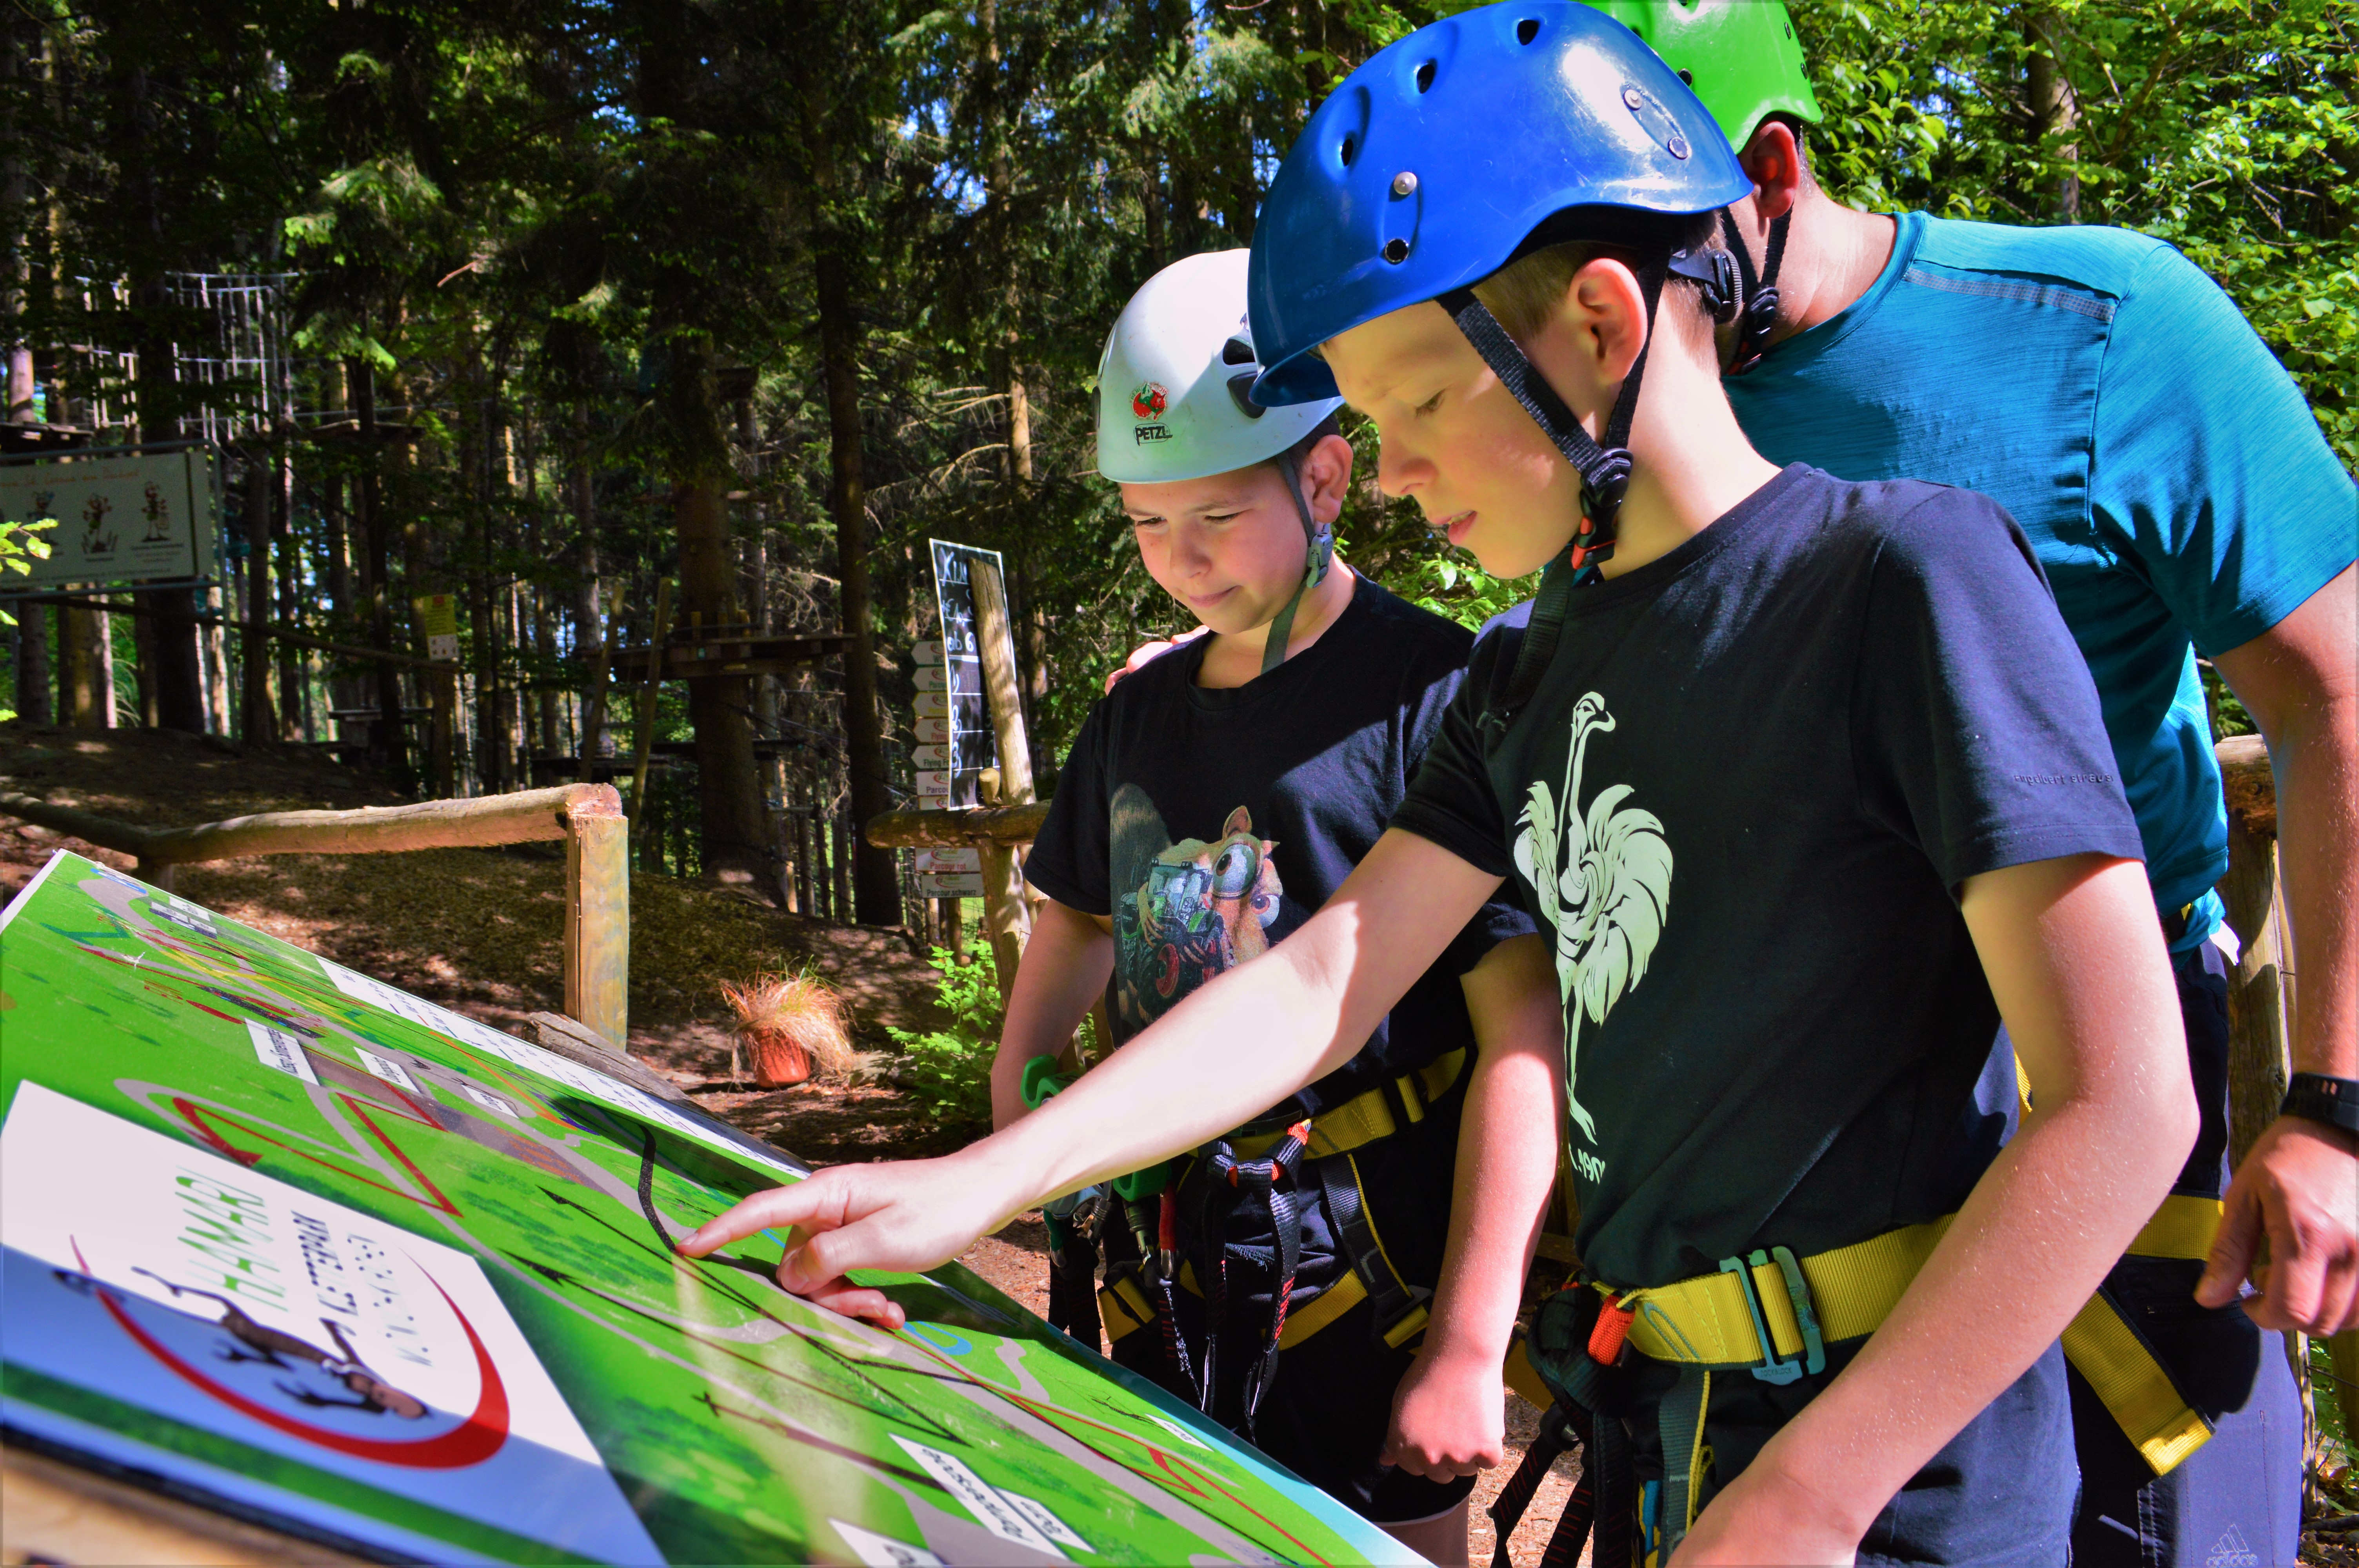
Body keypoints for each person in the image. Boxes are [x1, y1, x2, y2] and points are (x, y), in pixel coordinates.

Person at [682, 7, 2195, 1561]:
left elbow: (2121, 1100)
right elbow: (1322, 975)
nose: (1389, 473)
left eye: (1412, 406)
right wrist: (973, 1179)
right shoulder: (1527, 672)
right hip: (1659, 1447)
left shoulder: (1902, 582)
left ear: (1598, 327)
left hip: (1891, 1491)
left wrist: (1817, 1487)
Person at [1594, 3, 2357, 1559]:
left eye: (1633, 242)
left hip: (2104, 1057)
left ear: (1770, 170)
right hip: (1782, 1116)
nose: (1593, 309)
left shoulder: (2100, 329)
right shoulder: (1608, 419)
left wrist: (2337, 1106)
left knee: (2143, 1523)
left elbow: (2339, 690)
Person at [984, 248, 1560, 1566]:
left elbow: (1522, 1026)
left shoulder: (1437, 695)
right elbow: (1073, 917)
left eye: (1217, 517)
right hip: (1161, 1254)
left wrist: (1476, 1337)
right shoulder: (1138, 707)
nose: (1181, 563)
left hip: (1368, 1270)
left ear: (1326, 476)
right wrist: (1021, 1090)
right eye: (1146, 524)